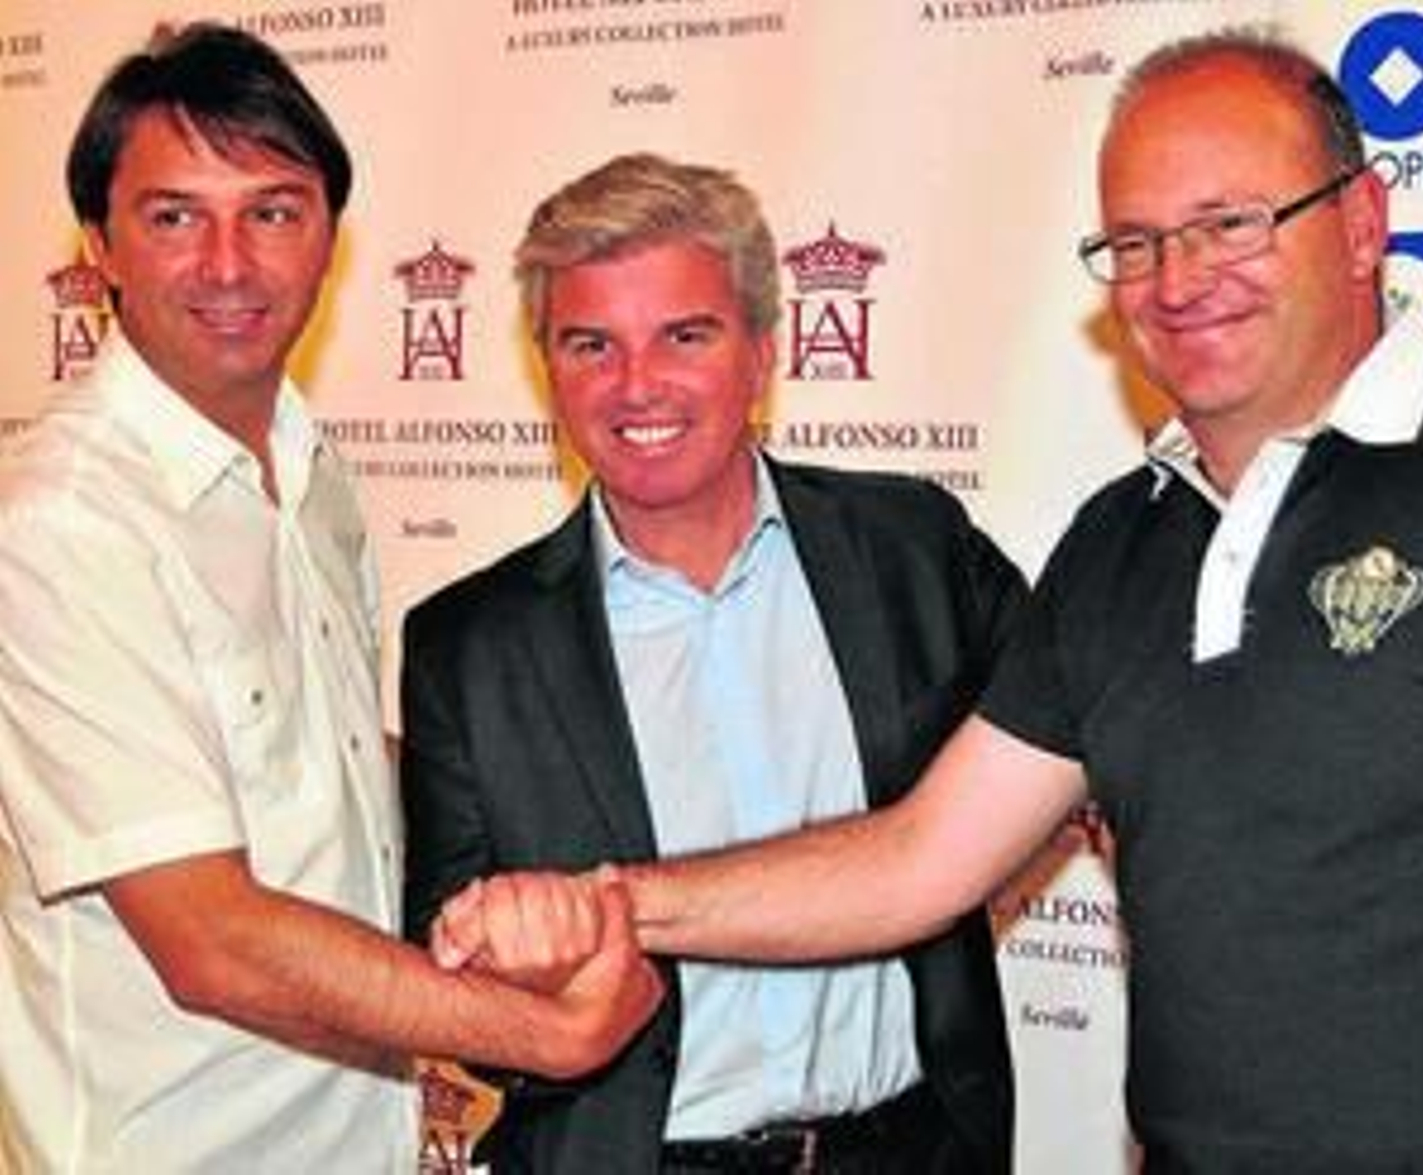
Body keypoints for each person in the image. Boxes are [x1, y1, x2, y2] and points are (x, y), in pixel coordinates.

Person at [435, 30, 1423, 1172]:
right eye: (1136, 243)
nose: (1180, 279)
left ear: (1360, 223)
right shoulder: (1118, 543)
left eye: (1231, 223)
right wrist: (607, 901)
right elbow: (918, 861)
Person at [0, 24, 660, 1173]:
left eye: (272, 210)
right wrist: (543, 1030)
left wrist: (566, 848)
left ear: (327, 240)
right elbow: (209, 937)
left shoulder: (312, 470)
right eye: (173, 217)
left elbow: (332, 769)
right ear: (98, 246)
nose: (227, 263)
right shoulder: (63, 524)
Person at [400, 152, 1023, 1174]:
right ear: (544, 365)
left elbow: (1085, 738)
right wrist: (522, 969)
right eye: (590, 344)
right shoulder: (467, 646)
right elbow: (455, 981)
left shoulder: (912, 547)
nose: (636, 384)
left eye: (684, 335)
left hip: (913, 1148)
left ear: (764, 350)